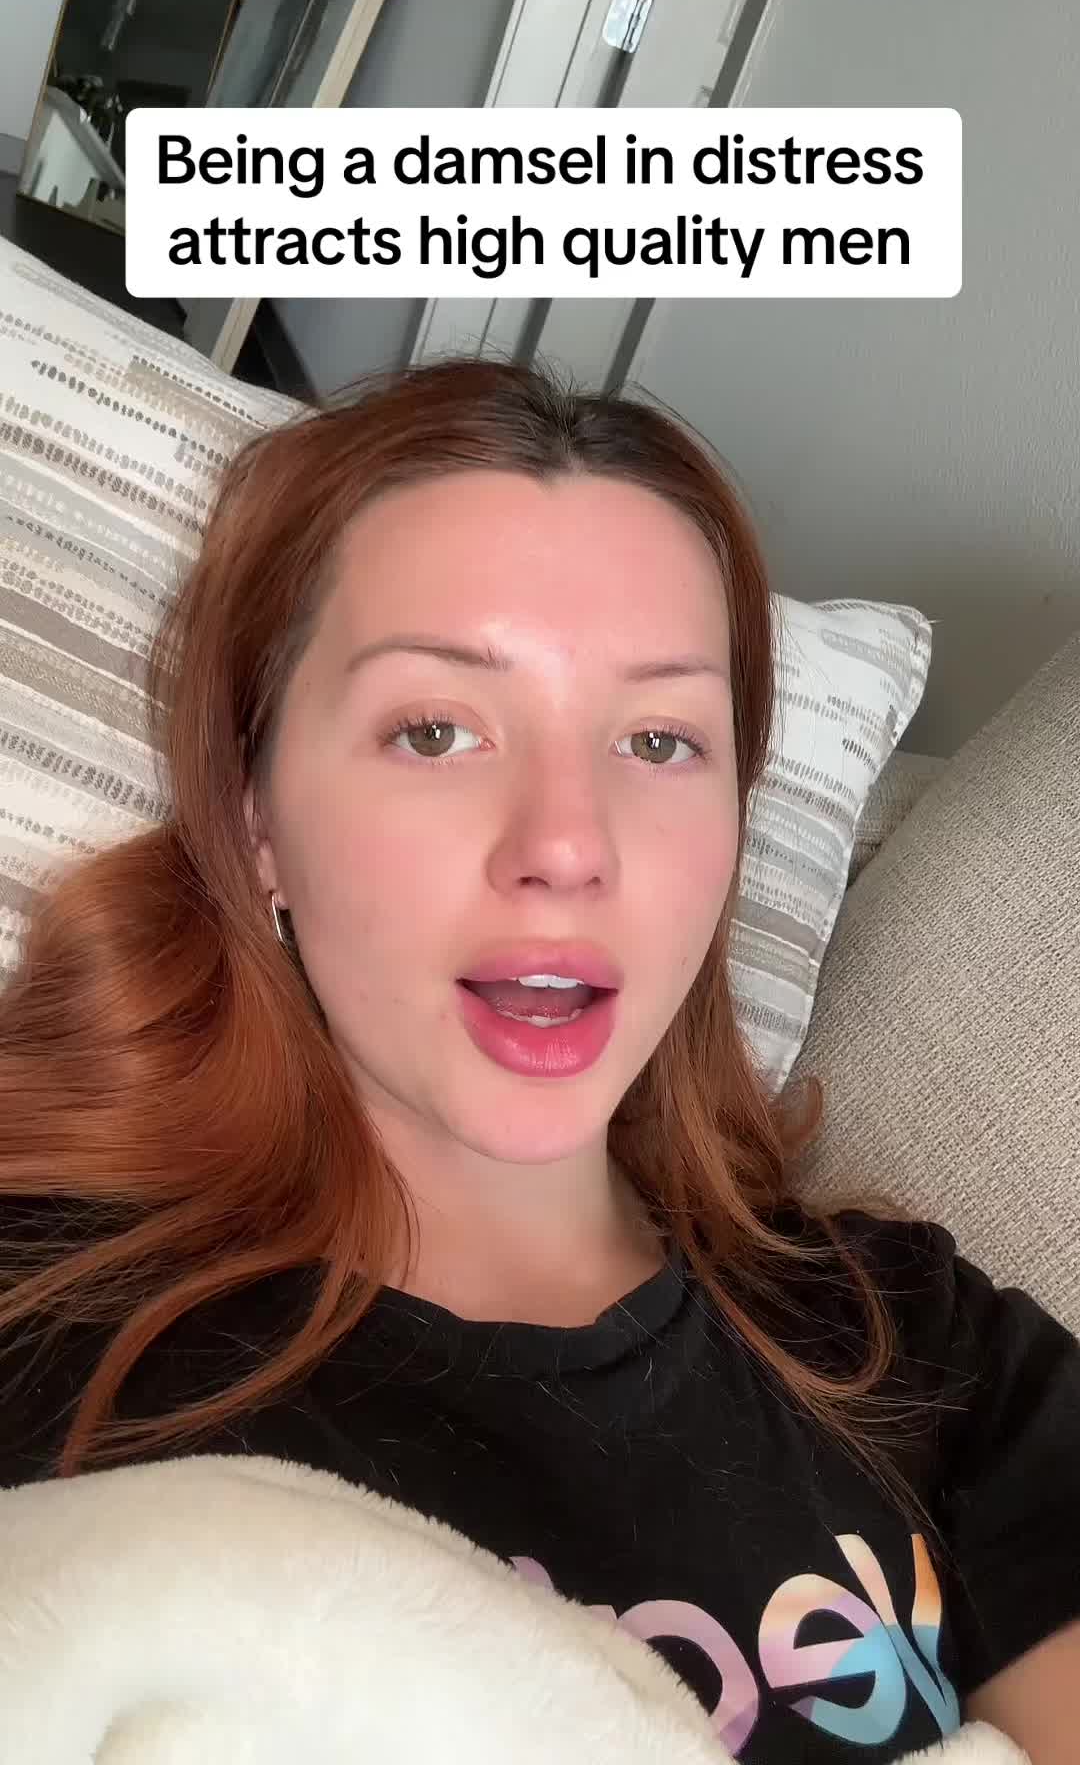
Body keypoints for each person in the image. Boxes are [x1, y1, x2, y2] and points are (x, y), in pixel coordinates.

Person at [0, 359, 1076, 1763]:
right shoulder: (47, 1327)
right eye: (435, 731)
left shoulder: (916, 1336)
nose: (568, 845)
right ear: (259, 822)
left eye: (659, 740)